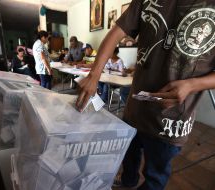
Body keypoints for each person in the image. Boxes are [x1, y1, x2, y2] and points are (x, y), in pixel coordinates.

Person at [76, 1, 215, 190]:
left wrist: (192, 84)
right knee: (129, 157)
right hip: (135, 110)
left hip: (171, 120)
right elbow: (117, 32)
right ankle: (127, 181)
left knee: (155, 176)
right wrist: (94, 75)